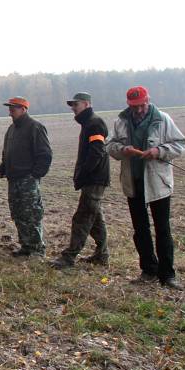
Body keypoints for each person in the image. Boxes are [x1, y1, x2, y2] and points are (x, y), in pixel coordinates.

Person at [106, 86, 185, 288]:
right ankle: (149, 270)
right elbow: (109, 145)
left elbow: (181, 144)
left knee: (163, 229)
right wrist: (122, 149)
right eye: (134, 106)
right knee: (140, 229)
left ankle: (167, 275)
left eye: (142, 105)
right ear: (128, 104)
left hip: (158, 183)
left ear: (148, 100)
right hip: (133, 183)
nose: (139, 109)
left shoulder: (163, 119)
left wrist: (158, 151)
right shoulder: (121, 121)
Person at [52, 92, 110, 269]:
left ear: (86, 104)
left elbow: (96, 152)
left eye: (75, 104)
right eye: (72, 105)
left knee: (82, 218)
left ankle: (69, 257)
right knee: (95, 218)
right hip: (92, 179)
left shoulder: (95, 123)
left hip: (94, 179)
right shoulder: (88, 123)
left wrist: (83, 174)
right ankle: (102, 255)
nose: (73, 108)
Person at [0, 96, 52, 257]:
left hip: (28, 180)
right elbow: (6, 155)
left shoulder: (35, 127)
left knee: (31, 214)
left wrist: (34, 176)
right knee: (18, 214)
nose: (10, 112)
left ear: (23, 109)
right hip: (13, 180)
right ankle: (26, 246)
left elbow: (45, 155)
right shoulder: (11, 130)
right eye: (9, 109)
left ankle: (37, 249)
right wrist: (1, 171)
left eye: (13, 109)